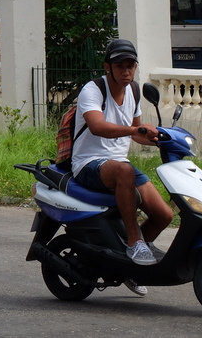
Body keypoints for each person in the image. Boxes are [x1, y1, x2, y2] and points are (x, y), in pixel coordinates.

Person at [72, 38, 174, 293]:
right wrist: (134, 129)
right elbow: (98, 126)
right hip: (88, 163)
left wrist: (158, 139)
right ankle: (133, 243)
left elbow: (135, 133)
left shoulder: (134, 90)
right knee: (124, 171)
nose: (126, 71)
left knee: (165, 215)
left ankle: (127, 264)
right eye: (120, 66)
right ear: (108, 67)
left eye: (130, 66)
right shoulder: (93, 90)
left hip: (120, 164)